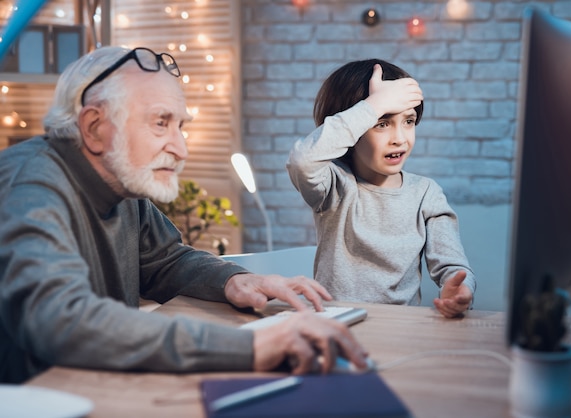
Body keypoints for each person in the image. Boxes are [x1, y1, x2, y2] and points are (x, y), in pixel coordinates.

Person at [0, 46, 368, 384]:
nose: (181, 149)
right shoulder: (29, 187)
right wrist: (252, 346)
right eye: (161, 123)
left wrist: (234, 281)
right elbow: (62, 320)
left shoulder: (121, 181)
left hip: (97, 386)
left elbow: (164, 261)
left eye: (181, 126)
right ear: (95, 128)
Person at [287, 59, 476, 318]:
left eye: (408, 121)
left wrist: (461, 289)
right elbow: (302, 160)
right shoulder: (334, 185)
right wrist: (373, 106)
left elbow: (452, 267)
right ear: (353, 128)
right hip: (337, 325)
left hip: (401, 331)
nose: (399, 138)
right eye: (381, 123)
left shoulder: (425, 194)